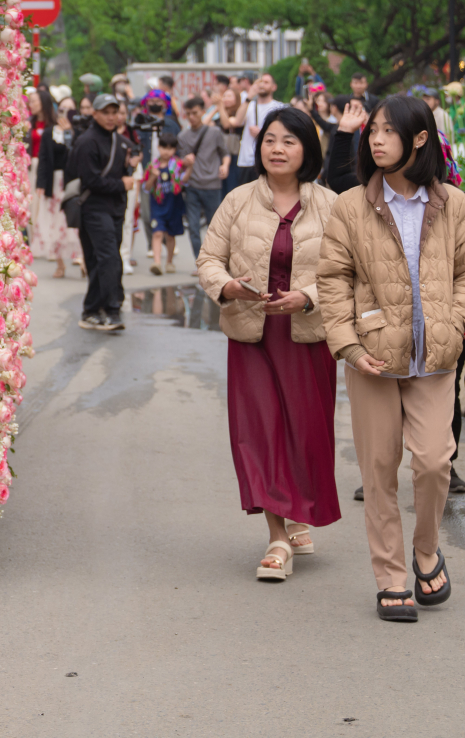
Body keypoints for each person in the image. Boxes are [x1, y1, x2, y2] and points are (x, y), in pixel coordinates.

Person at [316, 94, 465, 622]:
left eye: (387, 131)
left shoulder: (452, 204)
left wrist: (455, 323)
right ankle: (391, 577)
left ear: (419, 139)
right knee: (379, 469)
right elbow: (333, 280)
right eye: (372, 132)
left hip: (433, 358)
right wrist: (346, 344)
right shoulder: (351, 204)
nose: (375, 139)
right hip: (371, 357)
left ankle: (427, 552)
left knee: (436, 461)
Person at [195, 106, 341, 582]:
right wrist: (228, 287)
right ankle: (277, 536)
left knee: (305, 432)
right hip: (251, 335)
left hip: (307, 337)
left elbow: (347, 273)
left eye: (289, 141)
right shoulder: (237, 200)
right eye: (270, 140)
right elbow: (208, 258)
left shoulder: (330, 205)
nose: (277, 149)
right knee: (259, 431)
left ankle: (298, 508)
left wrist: (308, 297)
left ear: (307, 151)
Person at [66, 93, 139, 332]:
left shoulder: (119, 140)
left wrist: (130, 164)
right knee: (108, 259)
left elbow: (119, 170)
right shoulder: (87, 142)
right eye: (105, 112)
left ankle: (91, 310)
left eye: (113, 112)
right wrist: (122, 184)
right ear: (94, 114)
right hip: (94, 209)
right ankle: (110, 309)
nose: (110, 117)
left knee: (100, 260)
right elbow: (91, 181)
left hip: (115, 208)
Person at [30, 85, 82, 279]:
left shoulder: (78, 132)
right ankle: (60, 264)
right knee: (54, 223)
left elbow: (76, 152)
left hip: (72, 182)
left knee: (74, 220)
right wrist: (41, 184)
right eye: (63, 109)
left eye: (70, 110)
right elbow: (43, 158)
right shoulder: (50, 132)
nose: (66, 113)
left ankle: (82, 258)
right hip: (54, 181)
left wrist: (70, 133)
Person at [177, 95, 228, 255]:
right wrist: (185, 162)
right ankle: (200, 263)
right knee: (193, 227)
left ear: (203, 112)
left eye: (195, 113)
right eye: (188, 114)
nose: (192, 117)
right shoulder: (182, 137)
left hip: (212, 185)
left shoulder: (214, 132)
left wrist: (225, 165)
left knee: (215, 228)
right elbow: (180, 164)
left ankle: (215, 262)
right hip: (192, 185)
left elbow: (224, 152)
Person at [232, 73, 287, 192]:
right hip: (246, 160)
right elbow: (237, 121)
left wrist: (262, 133)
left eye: (266, 82)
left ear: (274, 87)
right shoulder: (249, 105)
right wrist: (248, 97)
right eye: (260, 82)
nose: (262, 85)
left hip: (267, 161)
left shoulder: (279, 107)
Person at [145, 139, 187, 275]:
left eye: (170, 148)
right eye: (163, 147)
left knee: (170, 235)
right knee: (157, 233)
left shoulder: (179, 165)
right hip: (157, 204)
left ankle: (169, 261)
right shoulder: (152, 166)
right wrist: (153, 176)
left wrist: (190, 167)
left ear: (174, 150)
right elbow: (147, 187)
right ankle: (157, 263)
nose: (166, 151)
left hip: (174, 204)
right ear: (158, 148)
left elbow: (184, 182)